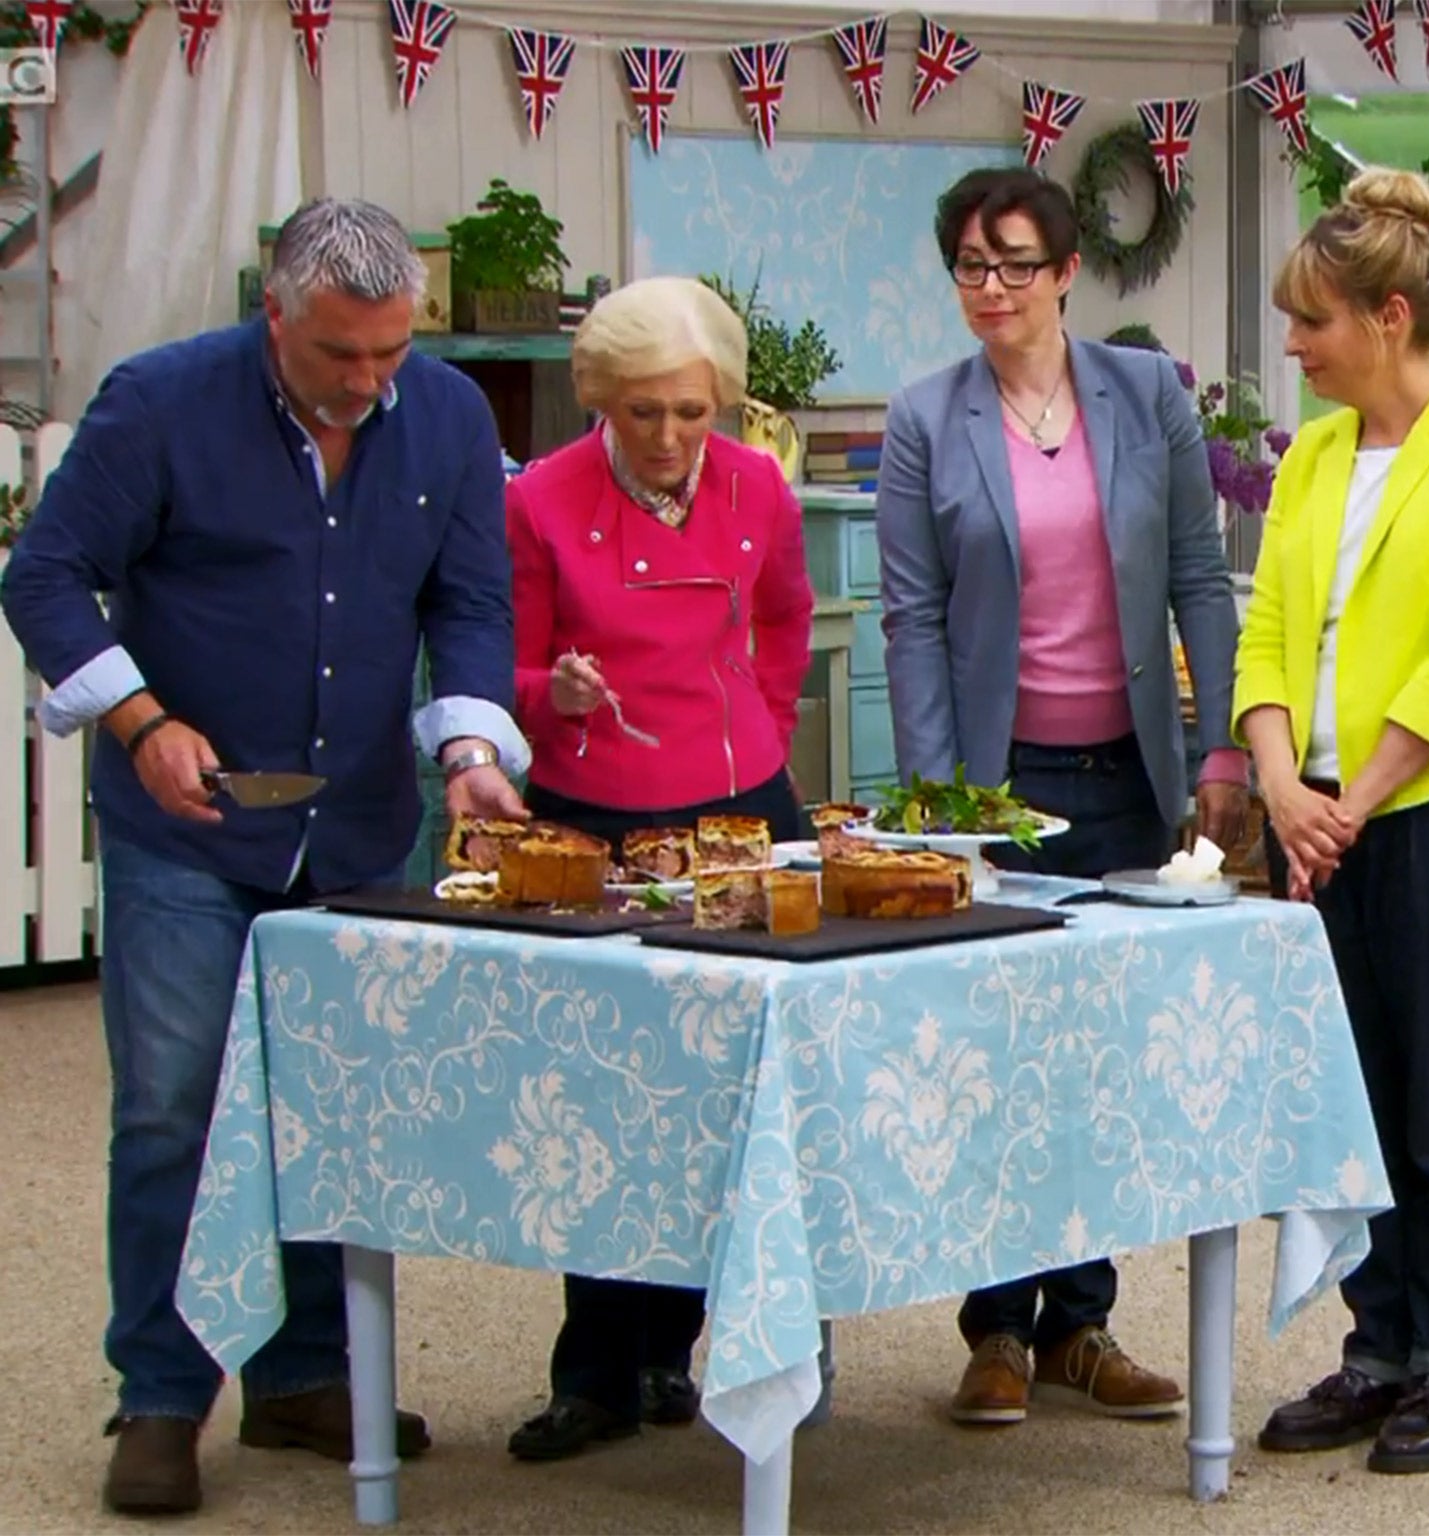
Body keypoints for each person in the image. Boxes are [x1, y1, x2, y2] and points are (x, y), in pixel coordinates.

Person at [0, 198, 529, 1516]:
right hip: (186, 825)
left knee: (340, 1112)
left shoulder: (450, 418)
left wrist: (466, 750)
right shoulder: (159, 402)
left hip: (357, 822)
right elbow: (46, 576)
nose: (367, 384)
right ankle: (164, 1395)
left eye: (390, 355)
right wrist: (140, 719)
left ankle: (304, 1379)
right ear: (274, 312)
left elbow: (466, 600)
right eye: (339, 356)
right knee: (171, 1107)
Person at [876, 165, 1248, 1426]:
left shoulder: (1147, 396)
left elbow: (1201, 578)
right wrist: (947, 800)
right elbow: (912, 617)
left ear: (1066, 270)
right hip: (1003, 783)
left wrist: (1220, 753)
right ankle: (996, 1333)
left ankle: (1082, 1326)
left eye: (1015, 265)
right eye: (971, 268)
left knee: (1094, 1059)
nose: (991, 289)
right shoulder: (929, 417)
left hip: (1129, 776)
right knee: (991, 1055)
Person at [1233, 166, 1429, 1475]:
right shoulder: (1307, 455)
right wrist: (1275, 785)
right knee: (1347, 1101)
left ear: (1387, 320)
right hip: (1311, 820)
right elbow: (1262, 630)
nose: (1292, 346)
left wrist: (1345, 806)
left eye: (1309, 321)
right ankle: (1375, 1348)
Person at [500, 275, 816, 1460]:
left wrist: (767, 728)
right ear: (601, 401)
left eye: (693, 412)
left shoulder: (759, 486)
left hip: (739, 804)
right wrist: (549, 695)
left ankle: (681, 1350)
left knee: (726, 1085)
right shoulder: (538, 498)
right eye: (645, 415)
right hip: (596, 804)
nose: (674, 440)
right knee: (598, 1087)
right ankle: (595, 1370)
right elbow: (506, 664)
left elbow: (784, 619)